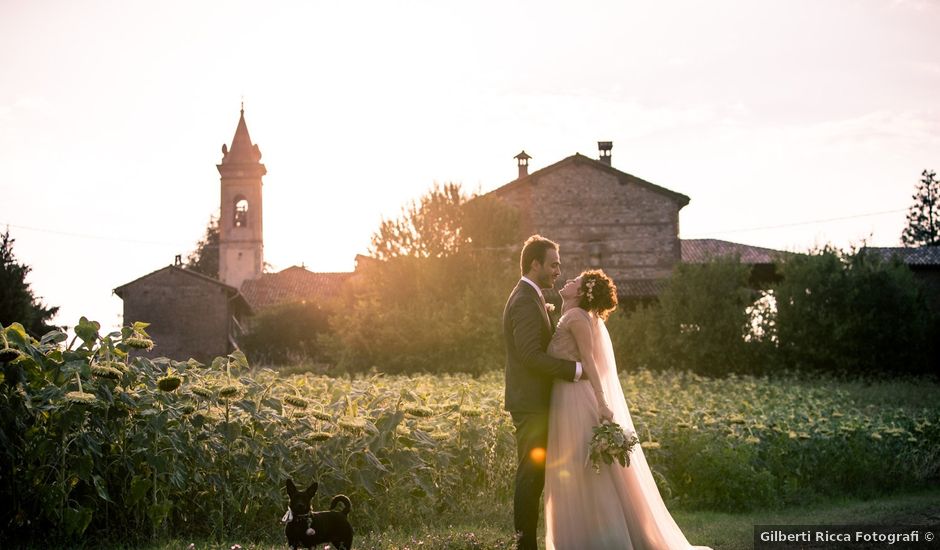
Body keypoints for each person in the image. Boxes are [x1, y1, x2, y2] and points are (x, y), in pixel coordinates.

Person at [544, 269, 713, 550]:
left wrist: (602, 401)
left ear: (583, 293)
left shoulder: (577, 318)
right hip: (566, 394)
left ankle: (593, 536)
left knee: (582, 468)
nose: (569, 281)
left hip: (574, 398)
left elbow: (591, 363)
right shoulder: (575, 316)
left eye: (576, 281)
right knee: (579, 467)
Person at [503, 235, 583, 550]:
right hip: (530, 404)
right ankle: (524, 545)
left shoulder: (531, 296)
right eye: (553, 264)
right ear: (534, 264)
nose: (557, 271)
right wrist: (574, 371)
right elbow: (529, 355)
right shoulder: (524, 300)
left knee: (535, 475)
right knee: (530, 475)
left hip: (535, 402)